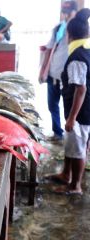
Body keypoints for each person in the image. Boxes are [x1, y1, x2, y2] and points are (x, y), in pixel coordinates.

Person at [45, 8, 90, 196]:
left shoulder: (76, 57)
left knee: (78, 149)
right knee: (72, 144)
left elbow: (81, 89)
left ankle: (75, 186)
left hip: (80, 112)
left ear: (69, 35)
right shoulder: (86, 50)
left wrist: (72, 118)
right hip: (81, 109)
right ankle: (65, 174)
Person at [39, 1, 78, 141]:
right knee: (52, 105)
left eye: (69, 12)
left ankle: (73, 136)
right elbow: (49, 49)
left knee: (71, 108)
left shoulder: (81, 29)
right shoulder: (58, 28)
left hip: (72, 78)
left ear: (75, 11)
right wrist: (43, 70)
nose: (66, 15)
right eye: (64, 12)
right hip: (54, 74)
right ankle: (57, 132)